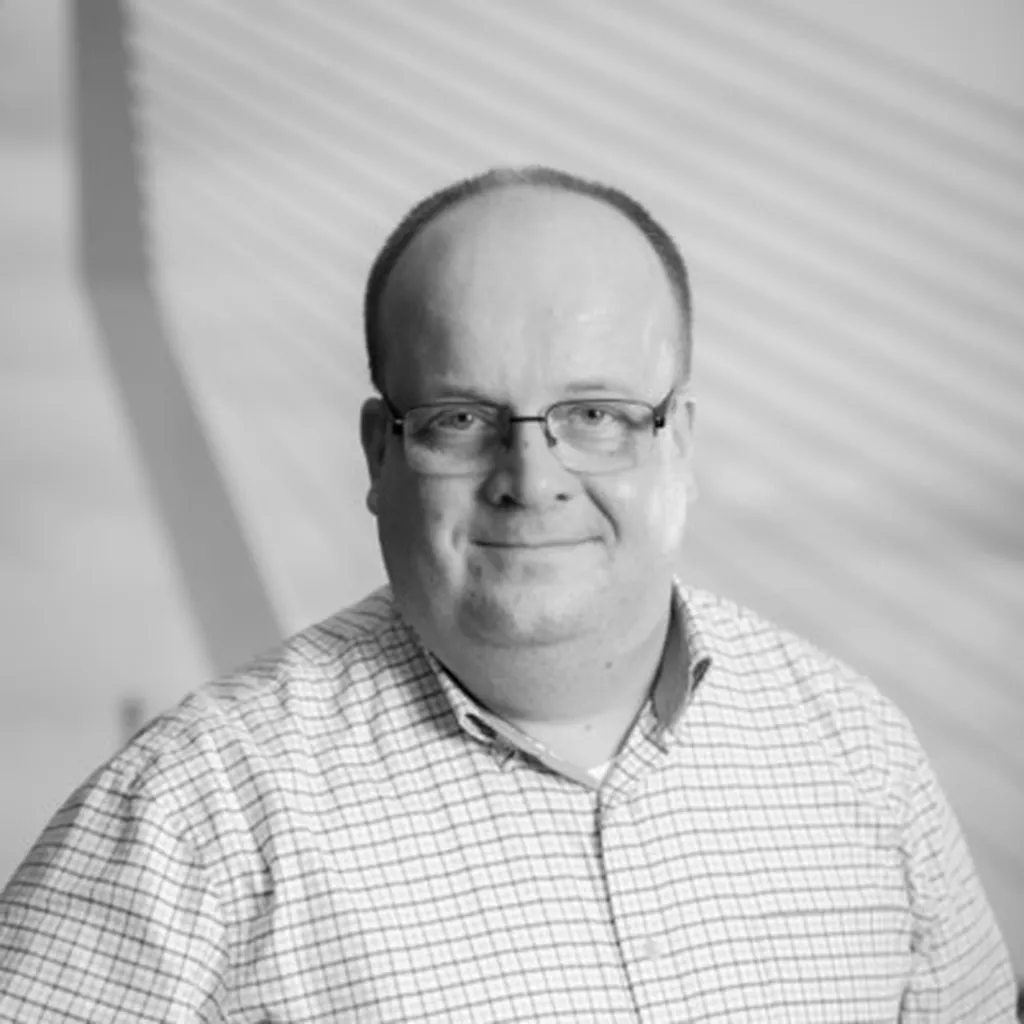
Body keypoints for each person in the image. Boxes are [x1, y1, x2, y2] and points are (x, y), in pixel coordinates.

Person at [0, 166, 1015, 1022]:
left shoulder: (859, 756)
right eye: (457, 418)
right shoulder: (189, 818)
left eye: (597, 413)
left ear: (683, 446)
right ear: (378, 450)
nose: (531, 479)